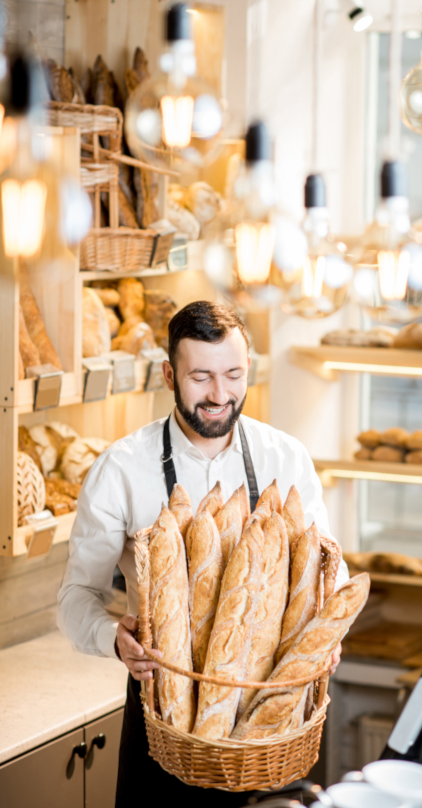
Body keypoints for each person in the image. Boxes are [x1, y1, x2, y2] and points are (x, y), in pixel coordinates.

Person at [58, 300, 348, 806]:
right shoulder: (122, 468)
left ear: (248, 369)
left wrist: (328, 633)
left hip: (269, 711)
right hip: (166, 710)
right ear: (170, 374)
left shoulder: (286, 457)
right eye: (201, 377)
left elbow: (328, 570)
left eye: (233, 375)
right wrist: (113, 637)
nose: (219, 395)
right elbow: (76, 596)